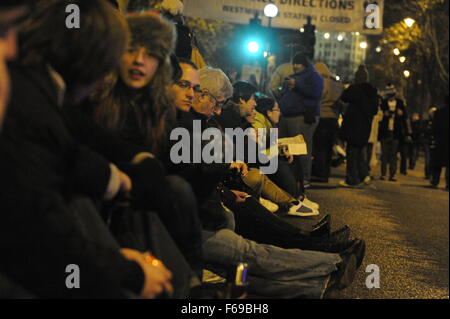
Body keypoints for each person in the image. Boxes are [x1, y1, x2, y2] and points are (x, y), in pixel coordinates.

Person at [0, 0, 172, 298]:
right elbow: (35, 234)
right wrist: (127, 270)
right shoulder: (31, 97)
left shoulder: (36, 91)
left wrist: (122, 176)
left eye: (151, 54)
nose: (13, 50)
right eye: (4, 29)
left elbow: (71, 148)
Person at [170, 63, 365, 299]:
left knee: (242, 265)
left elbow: (202, 171)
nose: (191, 94)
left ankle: (318, 279)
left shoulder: (198, 122)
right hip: (194, 221)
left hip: (205, 210)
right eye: (185, 86)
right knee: (250, 253)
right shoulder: (184, 125)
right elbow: (188, 177)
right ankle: (331, 261)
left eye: (195, 88)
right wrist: (226, 179)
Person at [278, 52, 324, 189]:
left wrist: (297, 85)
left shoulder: (314, 76)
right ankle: (291, 178)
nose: (295, 66)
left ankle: (304, 179)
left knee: (301, 149)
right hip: (289, 115)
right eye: (294, 64)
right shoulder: (295, 76)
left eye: (298, 64)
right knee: (287, 149)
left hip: (301, 117)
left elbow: (316, 93)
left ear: (304, 64)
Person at [339, 65, 378, 187]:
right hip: (365, 127)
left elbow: (344, 97)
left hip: (353, 126)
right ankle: (362, 175)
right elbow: (375, 110)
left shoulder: (354, 89)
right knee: (362, 153)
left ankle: (351, 179)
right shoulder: (372, 92)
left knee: (351, 154)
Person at [312, 62, 343, 183]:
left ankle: (319, 172)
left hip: (322, 117)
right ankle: (326, 172)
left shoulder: (319, 83)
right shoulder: (337, 84)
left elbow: (315, 99)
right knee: (329, 148)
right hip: (333, 119)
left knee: (319, 147)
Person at [378, 84, 411, 182]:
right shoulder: (383, 103)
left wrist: (407, 133)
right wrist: (385, 115)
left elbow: (405, 118)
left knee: (393, 154)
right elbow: (379, 117)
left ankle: (392, 174)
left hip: (396, 132)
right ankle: (383, 174)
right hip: (385, 132)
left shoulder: (400, 103)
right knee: (384, 154)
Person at [429, 95, 449, 190]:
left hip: (440, 140)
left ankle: (435, 181)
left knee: (437, 162)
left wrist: (433, 136)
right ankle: (448, 184)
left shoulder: (439, 112)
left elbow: (434, 126)